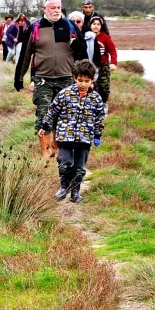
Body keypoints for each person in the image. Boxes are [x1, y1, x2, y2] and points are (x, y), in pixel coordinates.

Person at [15, 0, 88, 158]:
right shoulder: (35, 28)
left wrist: (88, 78)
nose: (56, 11)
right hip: (43, 79)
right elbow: (25, 56)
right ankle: (46, 151)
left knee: (65, 115)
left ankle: (58, 146)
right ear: (44, 9)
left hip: (67, 78)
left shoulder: (69, 26)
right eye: (52, 8)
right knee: (44, 115)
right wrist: (19, 79)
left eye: (58, 8)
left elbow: (83, 52)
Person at [38, 59, 106, 203]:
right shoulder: (65, 94)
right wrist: (45, 126)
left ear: (92, 80)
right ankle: (64, 187)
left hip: (84, 138)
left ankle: (75, 192)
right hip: (65, 136)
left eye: (87, 81)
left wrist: (97, 134)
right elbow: (53, 111)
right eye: (80, 80)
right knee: (65, 162)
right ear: (74, 78)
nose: (83, 84)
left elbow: (99, 118)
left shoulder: (96, 99)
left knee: (80, 168)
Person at [87, 15, 118, 103]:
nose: (96, 26)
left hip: (103, 65)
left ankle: (103, 104)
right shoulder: (87, 36)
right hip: (91, 65)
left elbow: (112, 51)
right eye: (94, 24)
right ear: (90, 25)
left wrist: (113, 63)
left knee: (104, 87)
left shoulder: (105, 37)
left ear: (101, 26)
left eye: (98, 24)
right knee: (92, 86)